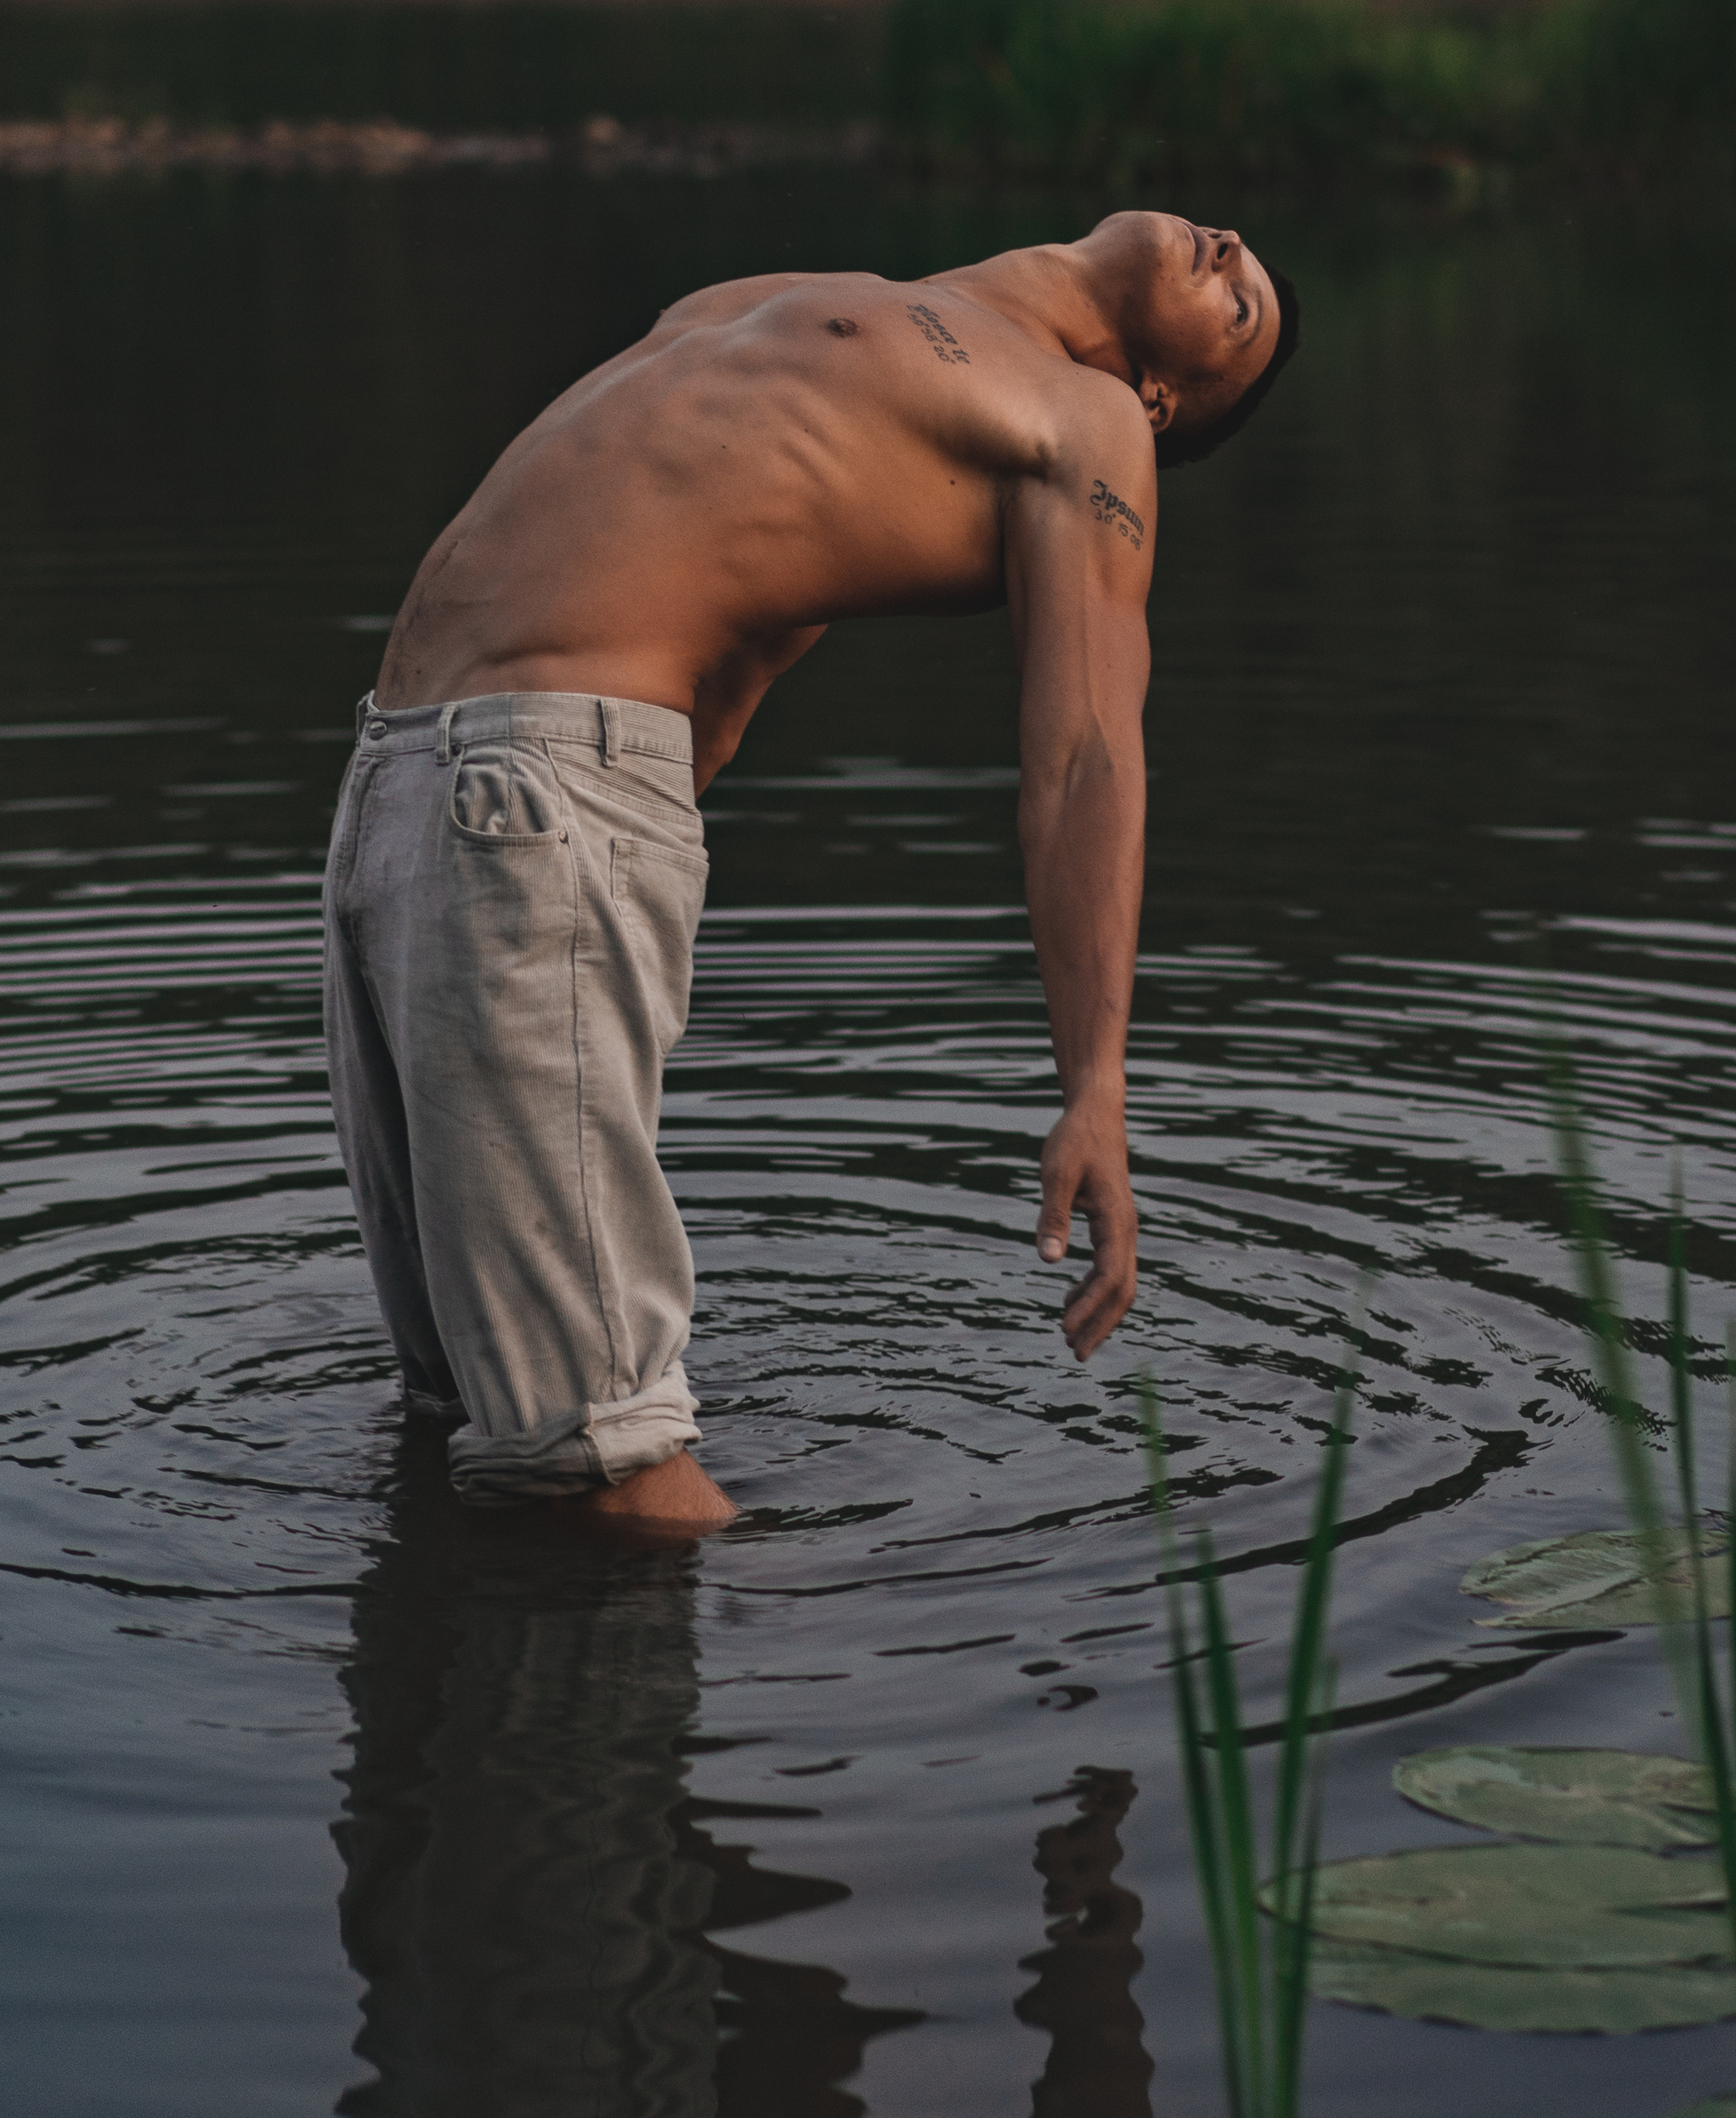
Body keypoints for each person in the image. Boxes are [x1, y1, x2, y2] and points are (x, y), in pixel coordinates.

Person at [324, 210, 1298, 1534]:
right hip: (419, 790)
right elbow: (750, 635)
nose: (1230, 248)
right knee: (456, 1401)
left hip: (525, 793)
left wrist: (1096, 1086)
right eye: (1243, 257)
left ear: (1163, 397)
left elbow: (1085, 758)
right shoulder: (850, 302)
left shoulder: (1090, 426)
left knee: (603, 1457)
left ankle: (835, 1680)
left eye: (1242, 306)